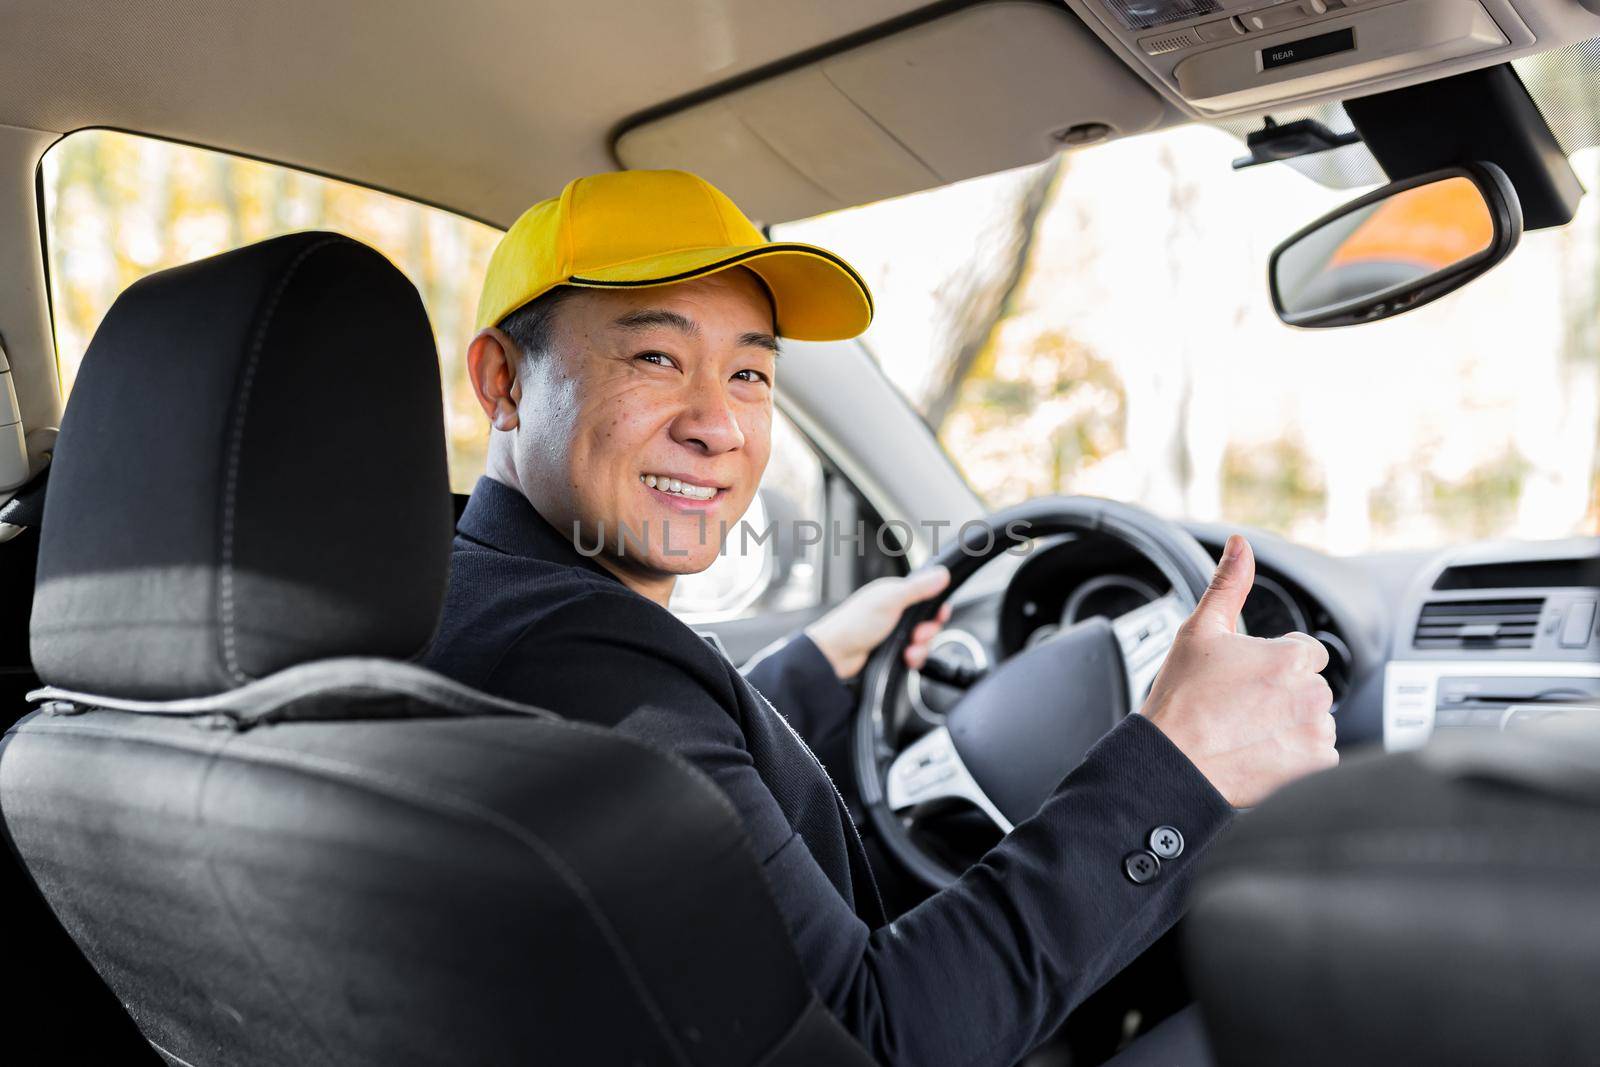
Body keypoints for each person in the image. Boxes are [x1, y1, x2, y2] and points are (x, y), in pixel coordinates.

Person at [423, 169, 1337, 1065]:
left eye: (749, 372)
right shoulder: (579, 657)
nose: (720, 424)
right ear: (503, 380)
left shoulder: (461, 589)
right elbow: (875, 1038)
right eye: (657, 357)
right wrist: (1181, 764)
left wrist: (816, 667)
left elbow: (660, 760)